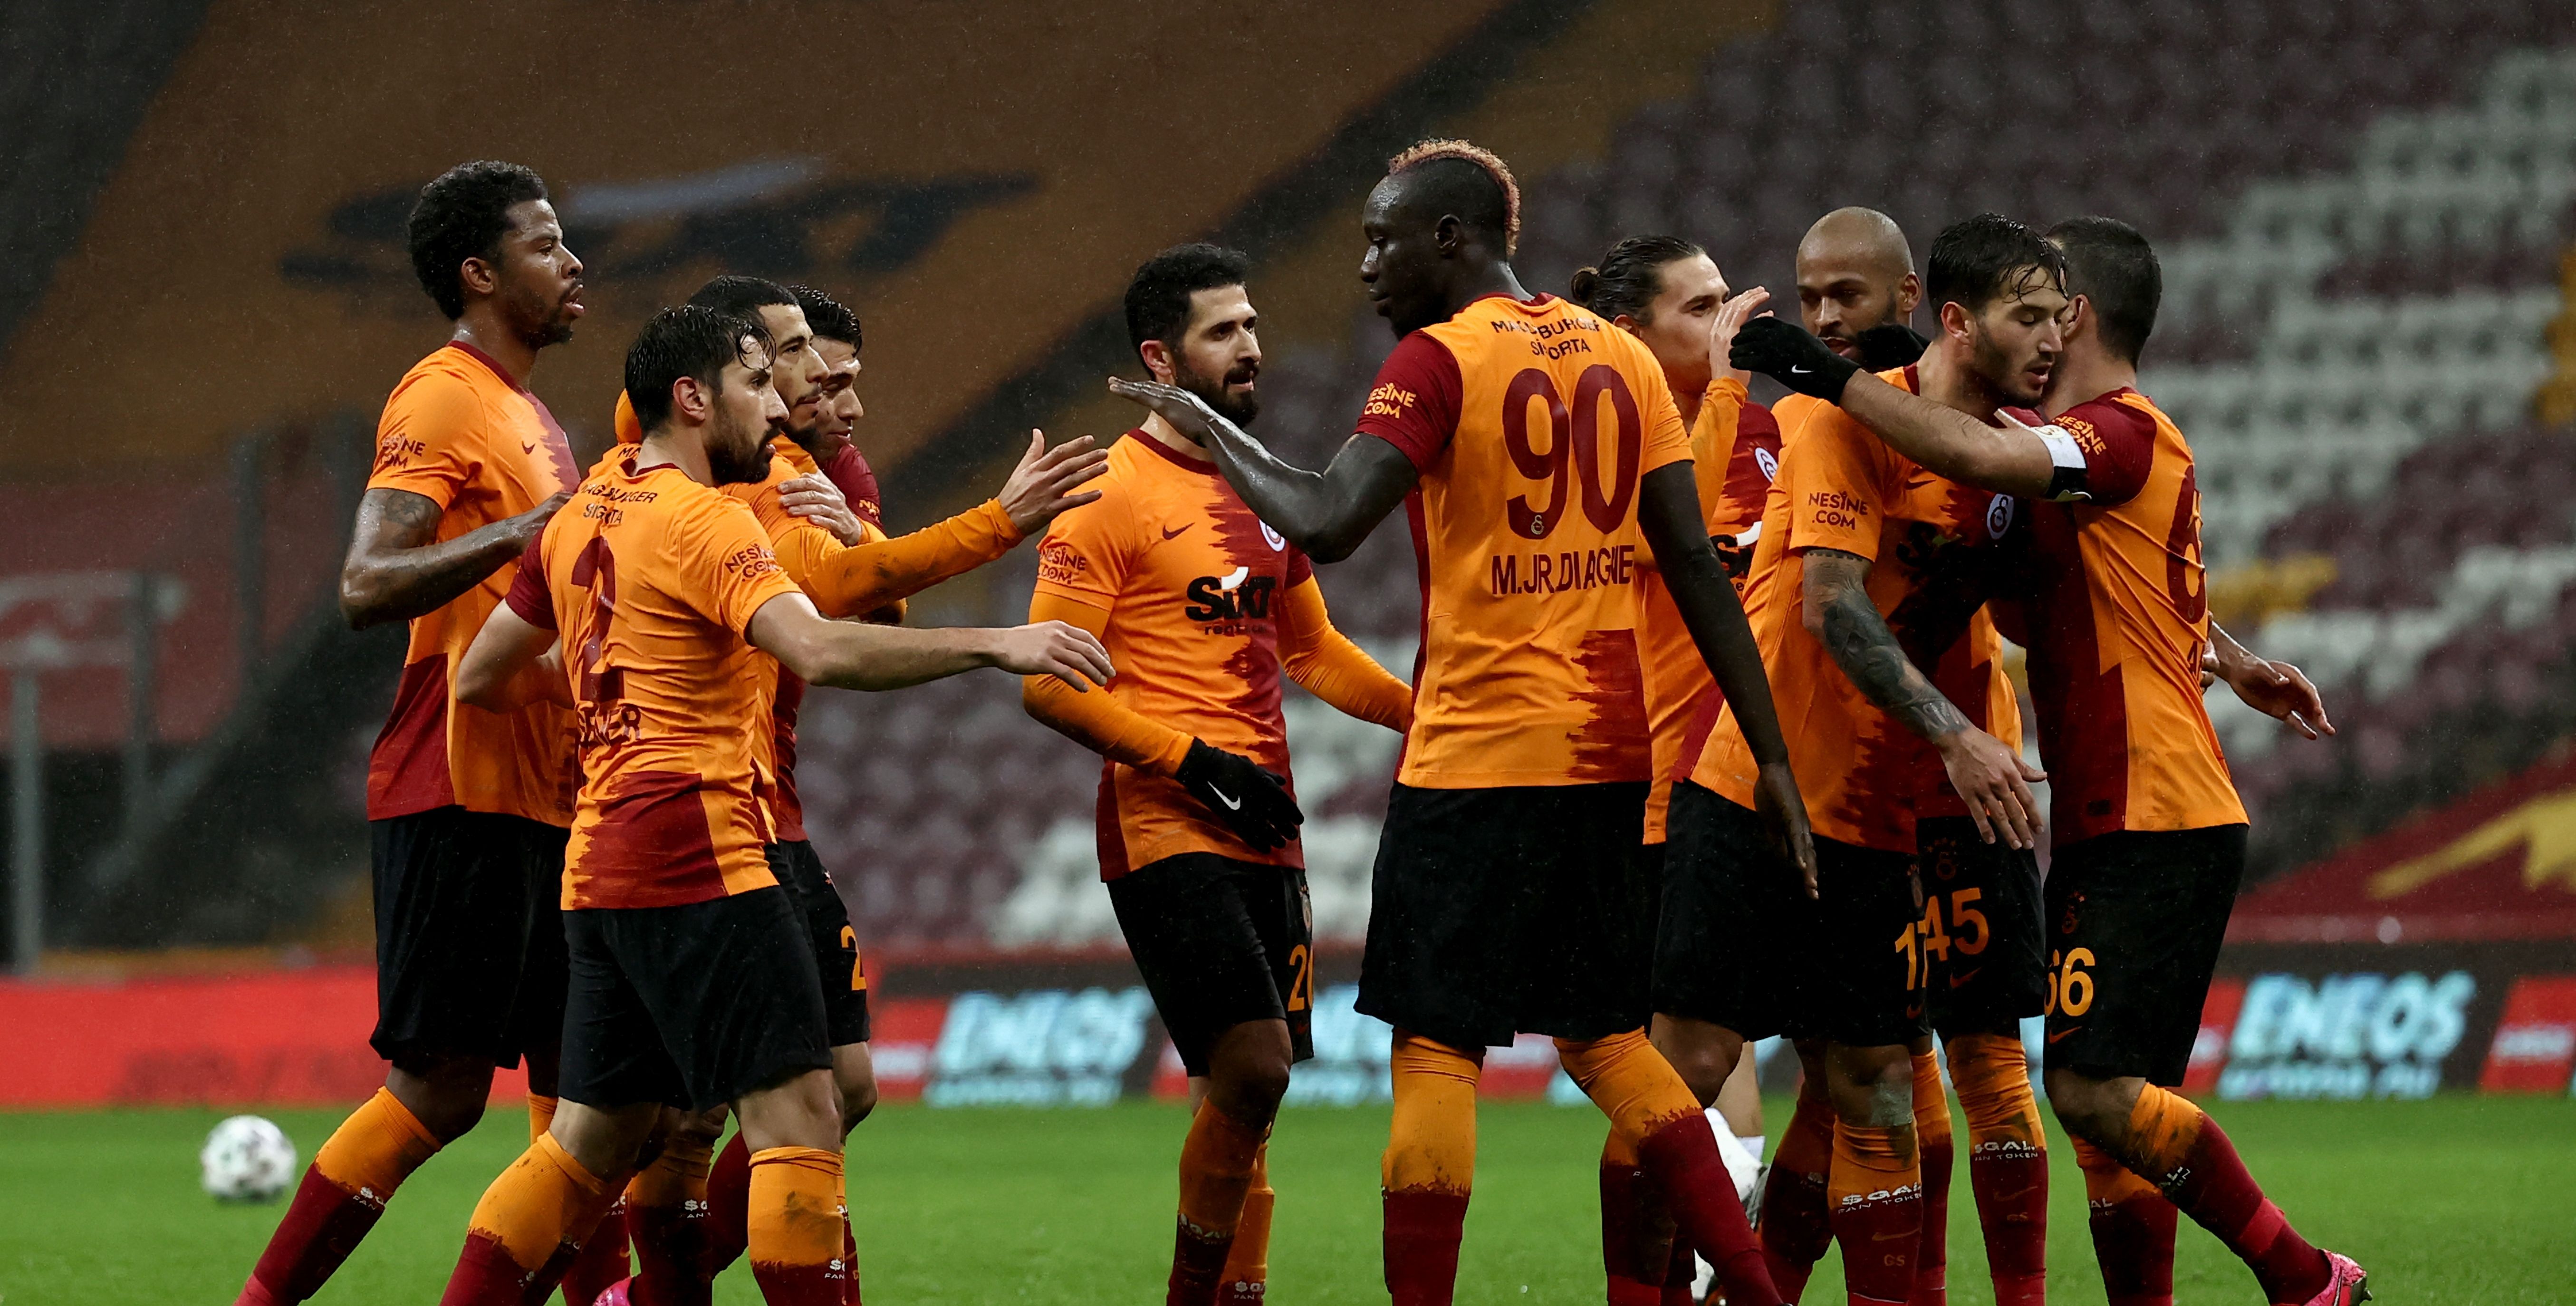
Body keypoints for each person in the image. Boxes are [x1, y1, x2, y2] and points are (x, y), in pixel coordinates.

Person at [1109, 139, 1812, 1306]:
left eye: (1384, 242)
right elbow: (1690, 564)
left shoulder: (1438, 361)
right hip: (1604, 758)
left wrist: (1204, 425)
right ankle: (1755, 1295)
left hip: (1474, 758)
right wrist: (1772, 753)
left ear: (1452, 238)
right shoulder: (1623, 359)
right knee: (1607, 1042)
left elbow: (1328, 521)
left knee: (1437, 1051)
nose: (1369, 270)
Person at [1732, 215, 2364, 1306]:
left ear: (2072, 314)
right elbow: (2125, 577)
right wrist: (2234, 654)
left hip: (2145, 802)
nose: (2029, 325)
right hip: (2088, 800)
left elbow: (1977, 458)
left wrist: (1816, 371)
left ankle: (2306, 1278)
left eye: (2043, 305)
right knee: (2078, 1105)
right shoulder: (2061, 453)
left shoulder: (2107, 434)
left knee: (2085, 1088)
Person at [433, 304, 1113, 1306]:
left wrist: (611, 697)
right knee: (801, 1117)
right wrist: (997, 644)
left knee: (589, 1142)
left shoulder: (584, 510)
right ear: (694, 397)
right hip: (703, 852)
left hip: (599, 868)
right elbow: (823, 649)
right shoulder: (709, 520)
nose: (778, 406)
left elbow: (482, 672)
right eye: (757, 384)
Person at [1666, 213, 2070, 1306]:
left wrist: (2213, 645)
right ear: (1956, 318)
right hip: (1761, 787)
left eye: (1850, 295)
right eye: (1812, 299)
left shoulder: (2017, 452)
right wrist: (1956, 734)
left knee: (1879, 1083)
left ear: (1911, 297)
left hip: (1890, 809)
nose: (1828, 319)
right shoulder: (1832, 422)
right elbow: (1830, 603)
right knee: (1688, 1075)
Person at [1024, 242, 1413, 1306]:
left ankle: (1236, 1293)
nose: (1251, 345)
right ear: (1160, 357)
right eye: (1222, 331)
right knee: (1253, 1067)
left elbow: (1314, 652)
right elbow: (1048, 685)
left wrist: (1431, 721)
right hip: (1166, 824)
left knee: (1243, 1097)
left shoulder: (1262, 483)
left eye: (1251, 324)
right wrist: (1191, 763)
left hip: (1266, 823)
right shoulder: (1106, 496)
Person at [237, 160, 585, 1306]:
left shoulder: (531, 412)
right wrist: (532, 531)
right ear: (480, 274)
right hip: (462, 781)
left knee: (588, 1098)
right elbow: (365, 582)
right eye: (543, 245)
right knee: (442, 1092)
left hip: (552, 790)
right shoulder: (440, 394)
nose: (572, 260)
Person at [1565, 234, 1784, 1304]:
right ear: (1631, 338)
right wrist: (1730, 383)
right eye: (1697, 309)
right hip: (1675, 797)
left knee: (1845, 1064)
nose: (1728, 318)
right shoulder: (1615, 447)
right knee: (1673, 1072)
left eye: (1723, 300)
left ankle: (1723, 1233)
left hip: (1786, 791)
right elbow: (1678, 538)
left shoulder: (1777, 436)